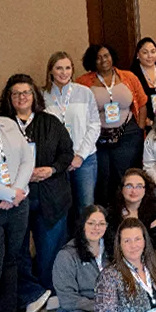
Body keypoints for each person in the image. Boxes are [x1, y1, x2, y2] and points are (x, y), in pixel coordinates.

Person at [0, 74, 72, 312]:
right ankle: (31, 293)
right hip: (15, 197)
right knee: (17, 248)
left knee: (50, 247)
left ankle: (50, 292)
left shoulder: (50, 122)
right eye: (16, 93)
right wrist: (19, 175)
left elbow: (67, 154)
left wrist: (50, 169)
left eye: (26, 92)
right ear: (9, 98)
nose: (22, 97)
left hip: (51, 194)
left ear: (35, 96)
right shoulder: (0, 124)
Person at [77, 44, 148, 206]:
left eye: (106, 55)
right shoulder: (83, 82)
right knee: (103, 176)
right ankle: (104, 214)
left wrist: (140, 127)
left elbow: (142, 103)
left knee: (123, 174)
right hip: (98, 137)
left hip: (128, 134)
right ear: (92, 61)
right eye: (98, 57)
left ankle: (126, 209)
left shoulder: (128, 77)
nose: (103, 60)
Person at [42, 51, 101, 211]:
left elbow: (94, 125)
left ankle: (85, 237)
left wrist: (80, 156)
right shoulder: (42, 96)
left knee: (86, 206)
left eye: (68, 68)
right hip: (55, 162)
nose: (64, 72)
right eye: (59, 68)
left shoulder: (84, 92)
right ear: (50, 71)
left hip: (85, 159)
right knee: (61, 208)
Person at [53, 205, 108, 312]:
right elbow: (68, 300)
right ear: (82, 224)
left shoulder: (112, 251)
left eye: (101, 223)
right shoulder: (66, 255)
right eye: (91, 223)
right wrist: (103, 307)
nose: (96, 228)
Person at [113, 168, 156, 252]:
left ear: (145, 189)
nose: (134, 191)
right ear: (122, 189)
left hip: (149, 257)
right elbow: (111, 243)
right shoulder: (113, 211)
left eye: (139, 186)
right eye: (129, 186)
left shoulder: (155, 210)